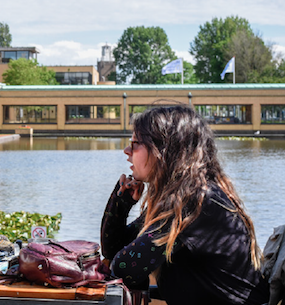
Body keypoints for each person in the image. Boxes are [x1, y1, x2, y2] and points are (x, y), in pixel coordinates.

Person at [100, 105, 269, 305]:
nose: (127, 150)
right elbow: (113, 250)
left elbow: (123, 266)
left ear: (164, 151)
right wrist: (121, 202)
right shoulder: (178, 199)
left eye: (135, 143)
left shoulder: (197, 202)